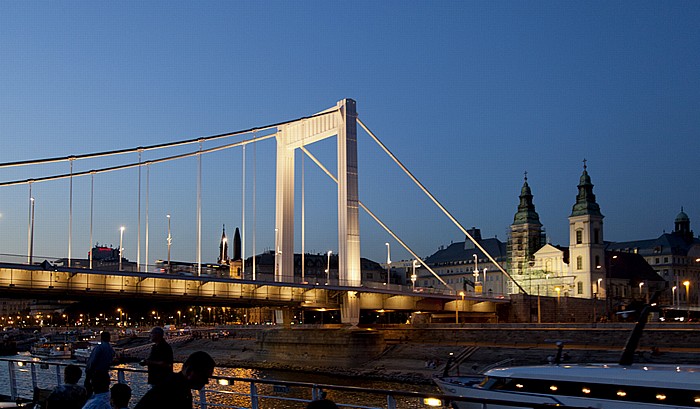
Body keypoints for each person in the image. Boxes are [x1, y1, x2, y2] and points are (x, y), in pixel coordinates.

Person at [134, 351, 215, 409]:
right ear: (189, 372)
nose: (206, 382)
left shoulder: (172, 385)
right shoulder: (176, 392)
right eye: (204, 377)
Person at [85, 332, 115, 397]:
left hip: (97, 374)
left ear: (101, 338)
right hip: (105, 374)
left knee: (94, 392)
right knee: (104, 393)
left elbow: (92, 362)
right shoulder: (111, 349)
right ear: (109, 338)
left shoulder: (99, 348)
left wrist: (88, 376)